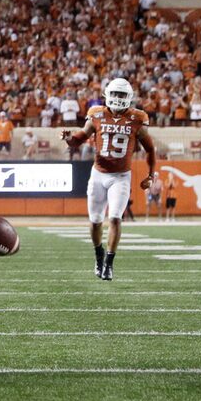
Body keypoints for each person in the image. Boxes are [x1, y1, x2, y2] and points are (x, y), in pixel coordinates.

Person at [62, 78, 156, 282]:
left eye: (123, 95)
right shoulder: (96, 113)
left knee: (115, 217)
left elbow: (150, 148)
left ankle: (109, 264)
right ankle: (98, 255)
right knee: (95, 221)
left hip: (121, 176)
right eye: (116, 94)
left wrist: (151, 175)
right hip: (98, 174)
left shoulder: (137, 118)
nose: (119, 98)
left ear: (129, 97)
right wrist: (70, 139)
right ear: (107, 95)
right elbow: (81, 136)